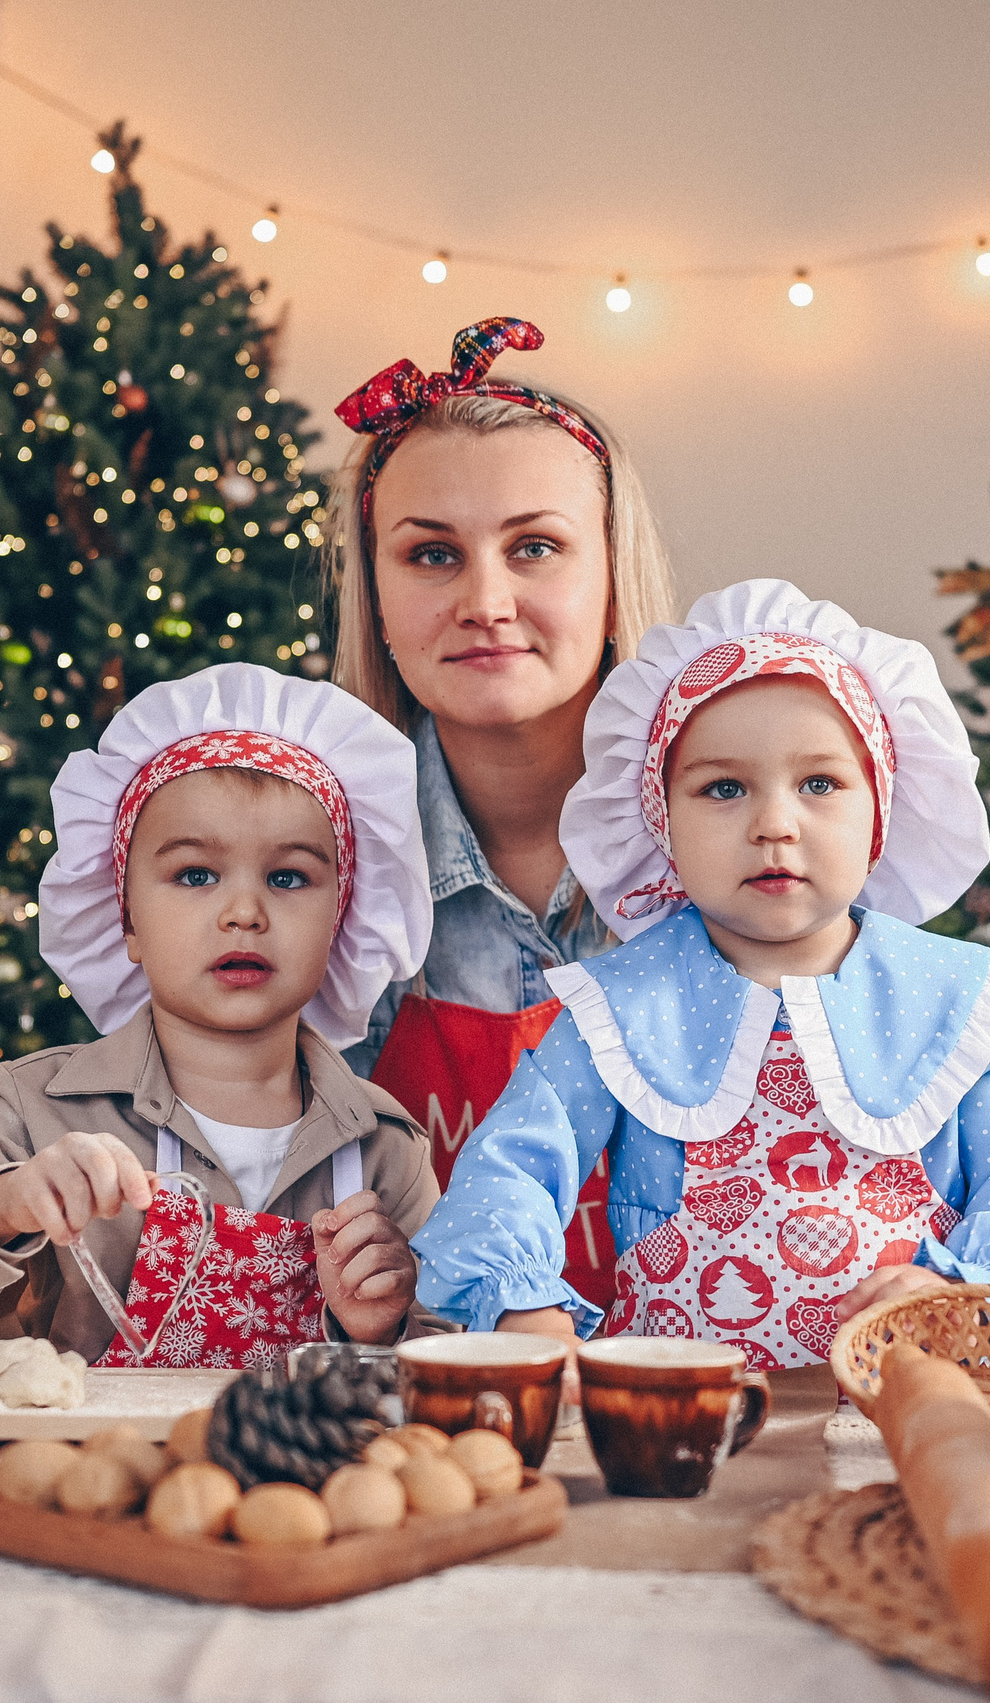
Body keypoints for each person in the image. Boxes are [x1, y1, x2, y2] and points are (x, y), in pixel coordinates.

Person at [411, 580, 990, 1368]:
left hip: (909, 1418)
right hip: (681, 1425)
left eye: (819, 784)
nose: (774, 823)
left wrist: (961, 1296)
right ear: (661, 821)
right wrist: (520, 1299)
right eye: (724, 788)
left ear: (881, 808)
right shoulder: (625, 1005)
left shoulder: (950, 1004)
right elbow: (508, 1166)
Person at [0, 665, 442, 1367]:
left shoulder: (386, 1150)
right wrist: (5, 1202)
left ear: (341, 917)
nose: (245, 911)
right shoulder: (42, 1112)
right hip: (97, 1473)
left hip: (299, 1479)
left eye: (288, 876)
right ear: (126, 920)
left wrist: (381, 1326)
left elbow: (458, 1365)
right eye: (196, 875)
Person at [326, 316, 676, 1317]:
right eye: (431, 554)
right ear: (377, 595)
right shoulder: (305, 878)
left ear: (610, 575)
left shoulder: (747, 856)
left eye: (533, 547)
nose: (485, 598)